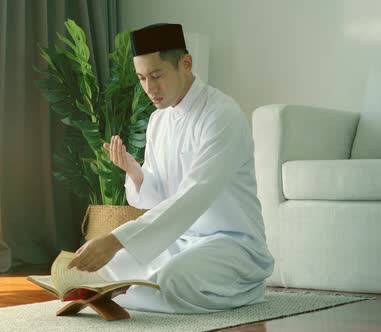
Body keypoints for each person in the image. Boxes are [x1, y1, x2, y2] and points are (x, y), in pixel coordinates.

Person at [67, 23, 274, 314]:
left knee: (173, 279)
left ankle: (242, 289)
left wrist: (116, 238)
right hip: (179, 242)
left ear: (185, 64)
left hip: (231, 245)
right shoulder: (158, 121)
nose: (150, 88)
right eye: (141, 78)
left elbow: (193, 196)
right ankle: (128, 293)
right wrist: (136, 174)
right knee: (109, 264)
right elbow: (158, 201)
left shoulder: (222, 115)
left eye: (156, 75)